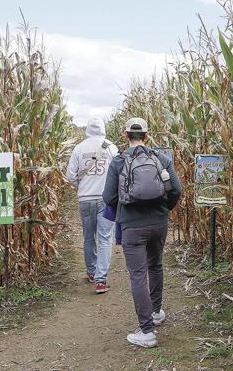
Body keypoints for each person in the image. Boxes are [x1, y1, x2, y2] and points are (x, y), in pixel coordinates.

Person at [102, 117, 182, 348]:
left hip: (132, 226)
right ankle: (156, 312)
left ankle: (146, 331)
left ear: (126, 135)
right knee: (155, 266)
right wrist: (163, 209)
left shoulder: (119, 162)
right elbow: (176, 189)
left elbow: (108, 198)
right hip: (158, 223)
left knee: (138, 274)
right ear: (146, 135)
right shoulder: (161, 158)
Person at [65, 117, 119, 294]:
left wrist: (81, 187)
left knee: (88, 237)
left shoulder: (79, 148)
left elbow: (70, 176)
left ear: (88, 129)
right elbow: (119, 173)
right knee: (104, 238)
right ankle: (100, 280)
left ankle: (91, 272)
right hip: (105, 199)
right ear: (103, 129)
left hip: (85, 199)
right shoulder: (111, 147)